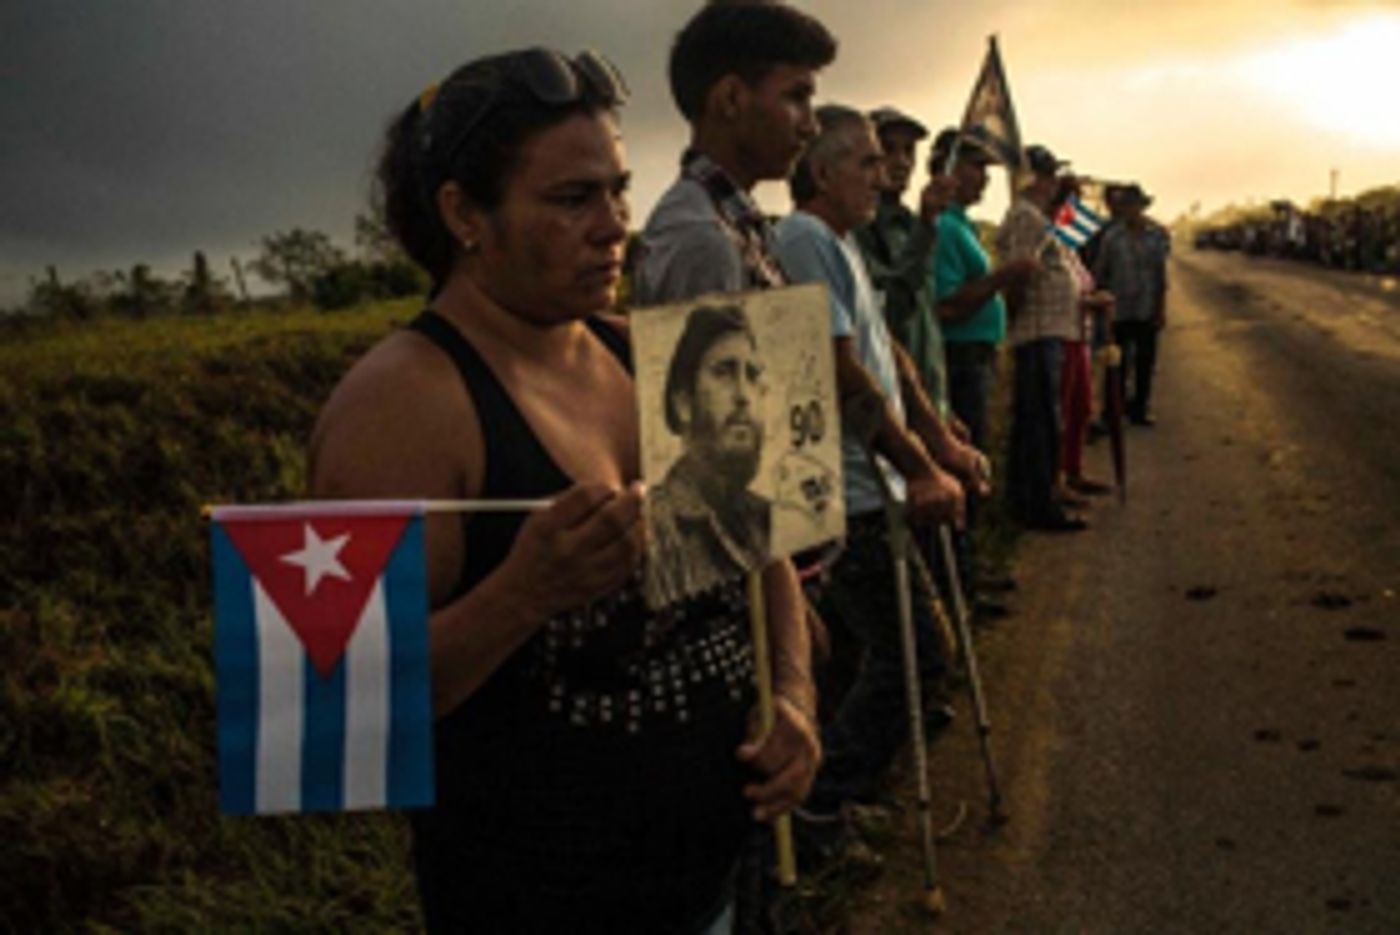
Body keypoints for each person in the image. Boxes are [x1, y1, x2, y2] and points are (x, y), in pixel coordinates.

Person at [307, 48, 818, 933]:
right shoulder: (400, 407)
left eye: (618, 190)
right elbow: (333, 700)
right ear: (465, 213)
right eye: (572, 199)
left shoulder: (660, 350)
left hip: (726, 879)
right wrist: (520, 593)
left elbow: (760, 548)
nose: (616, 225)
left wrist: (796, 699)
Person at [632, 3, 835, 928]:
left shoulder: (738, 220)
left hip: (761, 586)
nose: (809, 120)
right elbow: (709, 474)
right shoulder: (697, 238)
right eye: (795, 96)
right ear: (729, 96)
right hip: (719, 613)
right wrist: (771, 611)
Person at [773, 105, 986, 839]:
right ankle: (818, 803)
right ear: (823, 172)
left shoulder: (842, 242)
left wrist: (937, 441)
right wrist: (921, 467)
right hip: (847, 493)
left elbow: (888, 351)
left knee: (873, 653)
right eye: (865, 161)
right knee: (920, 657)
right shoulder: (801, 238)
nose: (881, 173)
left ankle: (829, 794)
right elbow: (836, 369)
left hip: (876, 483)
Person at [929, 129, 1038, 605]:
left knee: (970, 464)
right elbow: (947, 306)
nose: (985, 180)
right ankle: (960, 583)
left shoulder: (961, 225)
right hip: (959, 361)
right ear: (950, 169)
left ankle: (968, 570)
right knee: (961, 466)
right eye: (977, 168)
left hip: (976, 358)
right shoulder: (944, 230)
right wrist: (1003, 277)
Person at [648, 302, 772, 607]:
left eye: (753, 375)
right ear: (683, 403)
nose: (744, 395)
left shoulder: (765, 516)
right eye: (724, 372)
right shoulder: (658, 525)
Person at [996, 144, 1089, 531]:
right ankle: (1037, 505)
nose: (1052, 183)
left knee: (1042, 420)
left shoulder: (1034, 216)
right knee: (1039, 424)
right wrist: (1018, 318)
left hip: (1048, 328)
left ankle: (1033, 500)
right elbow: (1018, 275)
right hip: (1037, 330)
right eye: (1047, 174)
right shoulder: (1025, 216)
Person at [1093, 182, 1170, 426]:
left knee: (1145, 363)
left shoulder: (1157, 237)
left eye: (1134, 206)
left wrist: (1160, 309)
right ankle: (1112, 412)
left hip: (1146, 308)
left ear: (1141, 207)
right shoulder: (1112, 238)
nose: (1130, 211)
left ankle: (1140, 410)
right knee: (1116, 364)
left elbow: (1160, 276)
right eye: (1125, 206)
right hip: (1118, 311)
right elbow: (1101, 272)